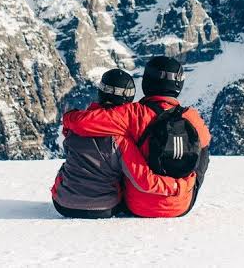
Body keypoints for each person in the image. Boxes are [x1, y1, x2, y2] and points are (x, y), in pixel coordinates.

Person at [62, 56, 210, 218]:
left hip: (138, 206)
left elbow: (83, 123)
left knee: (119, 147)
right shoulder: (191, 117)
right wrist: (180, 186)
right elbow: (203, 150)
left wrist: (70, 115)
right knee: (203, 148)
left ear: (146, 82)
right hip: (181, 203)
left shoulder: (132, 114)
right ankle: (181, 193)